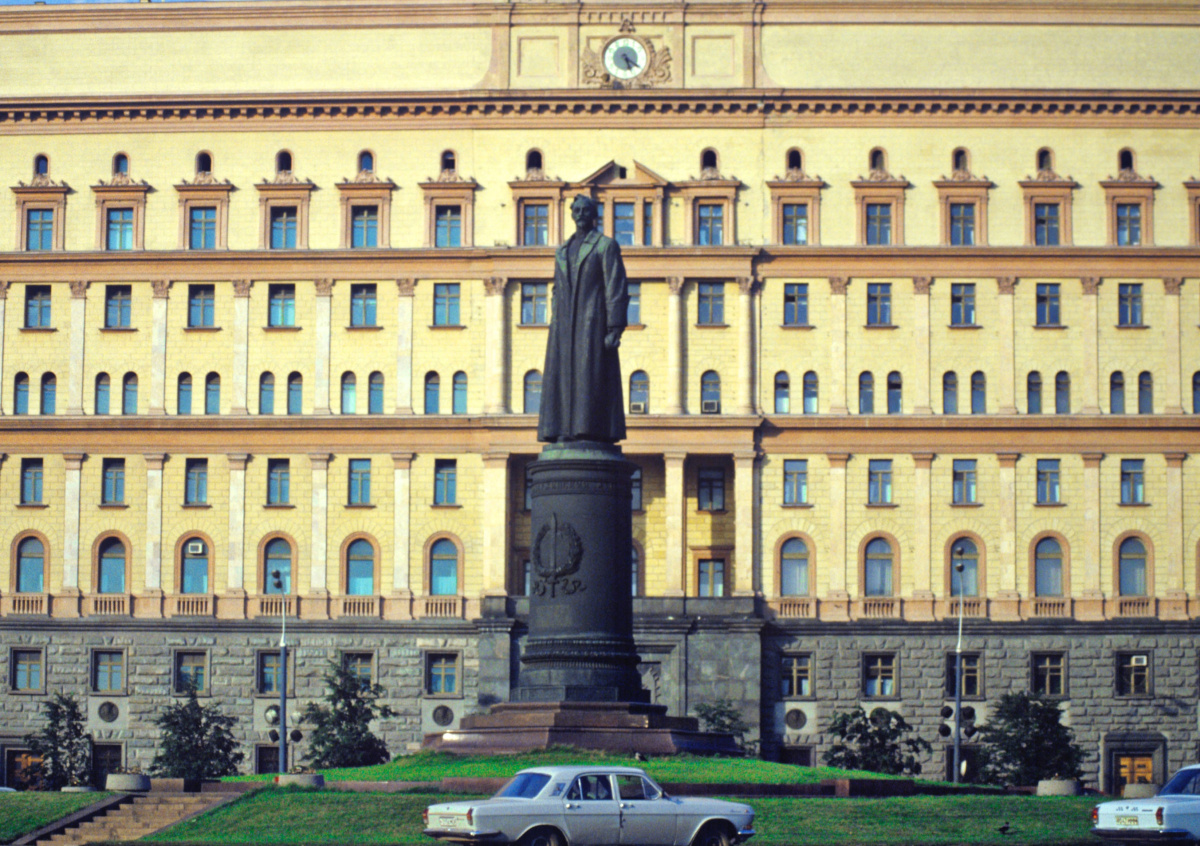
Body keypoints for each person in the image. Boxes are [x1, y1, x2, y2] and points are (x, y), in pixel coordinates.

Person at [537, 194, 629, 444]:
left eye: (585, 210)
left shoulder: (605, 245)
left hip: (592, 322)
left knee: (590, 376)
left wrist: (615, 327)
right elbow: (556, 288)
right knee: (562, 376)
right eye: (576, 210)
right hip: (564, 325)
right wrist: (556, 318)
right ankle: (562, 428)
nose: (580, 214)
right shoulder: (562, 251)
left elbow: (616, 286)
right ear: (571, 214)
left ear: (594, 214)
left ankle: (588, 430)